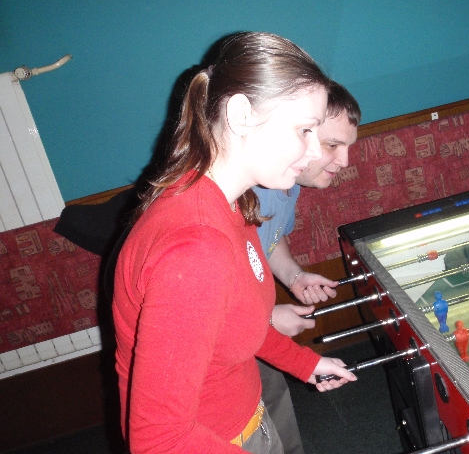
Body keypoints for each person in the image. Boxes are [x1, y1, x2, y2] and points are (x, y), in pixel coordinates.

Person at [112, 32, 357, 454]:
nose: (314, 151)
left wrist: (305, 363)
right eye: (305, 130)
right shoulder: (195, 248)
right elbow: (159, 440)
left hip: (246, 417)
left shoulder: (230, 203)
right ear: (242, 115)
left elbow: (240, 320)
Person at [252, 80, 360, 454]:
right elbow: (206, 305)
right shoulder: (244, 195)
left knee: (272, 400)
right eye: (333, 145)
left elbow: (270, 239)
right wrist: (267, 320)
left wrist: (293, 276)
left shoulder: (288, 181)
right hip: (216, 349)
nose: (345, 161)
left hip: (252, 323)